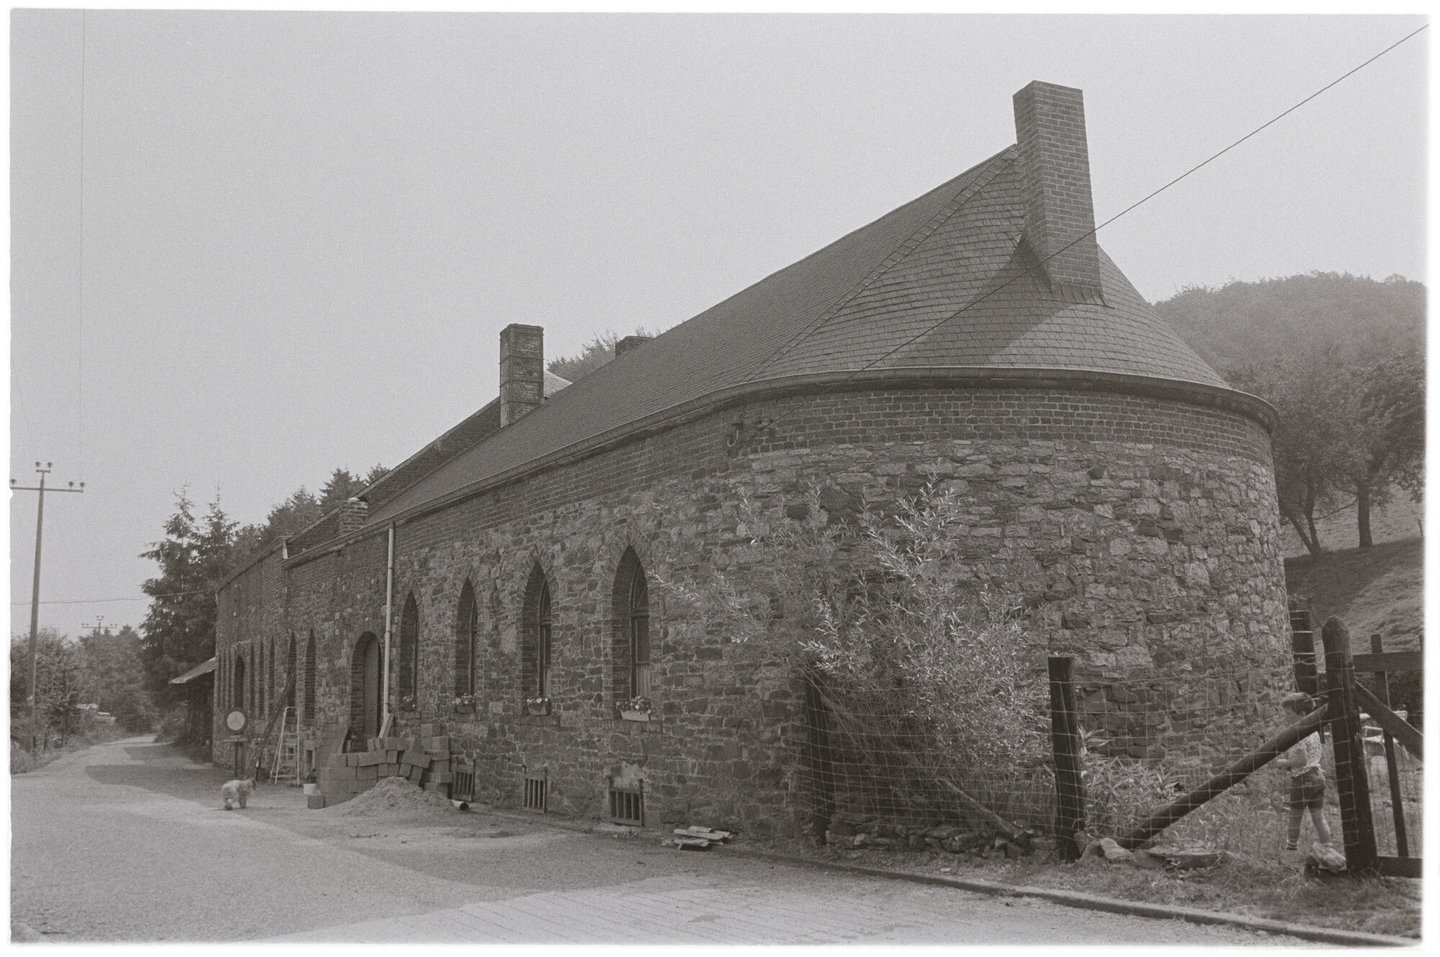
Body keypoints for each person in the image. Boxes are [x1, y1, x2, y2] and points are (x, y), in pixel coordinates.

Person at [1274, 691, 1333, 851]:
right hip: (1318, 777)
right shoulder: (1313, 731)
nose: (1285, 717)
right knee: (1318, 817)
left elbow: (1301, 760)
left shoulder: (1297, 734)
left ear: (1301, 714)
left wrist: (1283, 762)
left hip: (1303, 778)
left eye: (1288, 713)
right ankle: (1328, 847)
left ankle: (1291, 848)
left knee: (1295, 817)